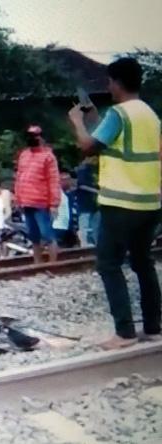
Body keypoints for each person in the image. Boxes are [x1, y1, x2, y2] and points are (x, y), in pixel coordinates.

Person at [68, 57, 161, 350]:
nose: (108, 86)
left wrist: (78, 122)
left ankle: (124, 332)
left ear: (117, 82)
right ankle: (154, 327)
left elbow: (88, 147)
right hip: (149, 202)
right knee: (143, 262)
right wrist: (96, 118)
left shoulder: (119, 113)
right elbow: (113, 140)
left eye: (109, 81)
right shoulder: (149, 114)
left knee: (108, 264)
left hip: (120, 201)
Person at [14, 125, 61, 264]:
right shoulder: (24, 154)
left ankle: (53, 264)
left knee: (47, 234)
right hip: (26, 201)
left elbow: (54, 180)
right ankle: (37, 264)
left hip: (41, 202)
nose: (33, 138)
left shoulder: (48, 157)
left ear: (41, 137)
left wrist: (54, 204)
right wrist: (18, 199)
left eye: (35, 135)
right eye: (30, 136)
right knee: (33, 236)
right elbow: (19, 177)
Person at [75, 156, 100, 246]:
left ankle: (96, 244)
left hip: (94, 204)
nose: (96, 161)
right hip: (84, 203)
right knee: (84, 226)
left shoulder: (93, 170)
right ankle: (84, 245)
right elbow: (81, 185)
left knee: (96, 226)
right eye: (94, 159)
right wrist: (97, 191)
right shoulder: (83, 170)